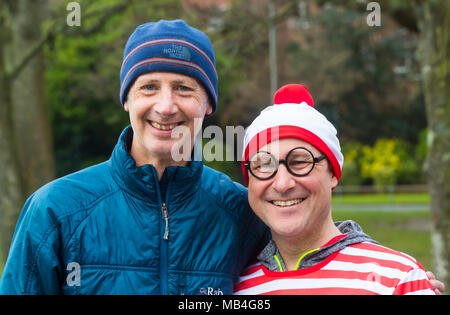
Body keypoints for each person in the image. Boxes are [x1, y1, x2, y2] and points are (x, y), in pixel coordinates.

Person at [0, 19, 269, 295]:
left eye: (184, 88)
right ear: (127, 99)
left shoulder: (243, 216)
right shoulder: (55, 210)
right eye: (149, 87)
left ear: (209, 103)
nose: (165, 107)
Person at [234, 84, 439, 295]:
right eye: (263, 165)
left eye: (299, 162)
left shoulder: (398, 280)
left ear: (332, 173)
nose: (282, 184)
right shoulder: (233, 286)